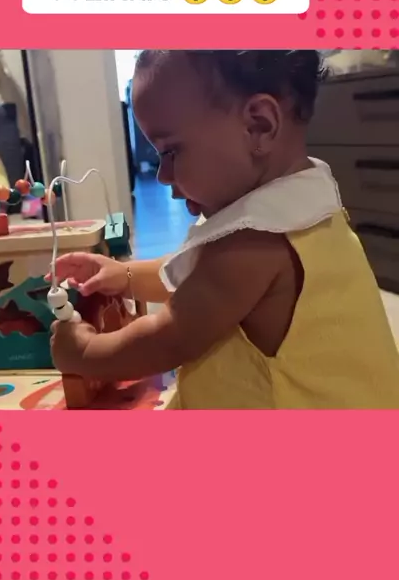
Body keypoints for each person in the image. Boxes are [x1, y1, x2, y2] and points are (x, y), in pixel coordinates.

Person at [48, 50, 399, 409]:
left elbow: (169, 339)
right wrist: (124, 275)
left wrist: (85, 352)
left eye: (170, 152)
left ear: (259, 126)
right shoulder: (301, 203)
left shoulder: (257, 242)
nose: (162, 175)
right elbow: (197, 275)